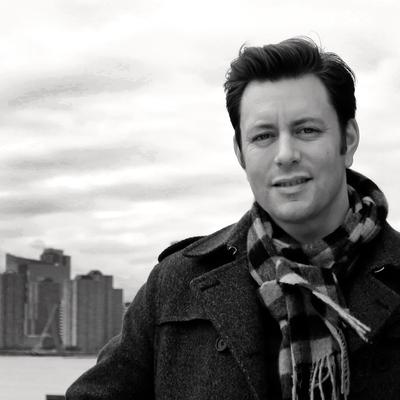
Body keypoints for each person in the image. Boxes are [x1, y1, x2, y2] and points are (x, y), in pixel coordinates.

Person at [66, 37, 400, 400]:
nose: (285, 154)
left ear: (347, 140)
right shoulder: (175, 284)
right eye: (263, 136)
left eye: (307, 130)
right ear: (241, 153)